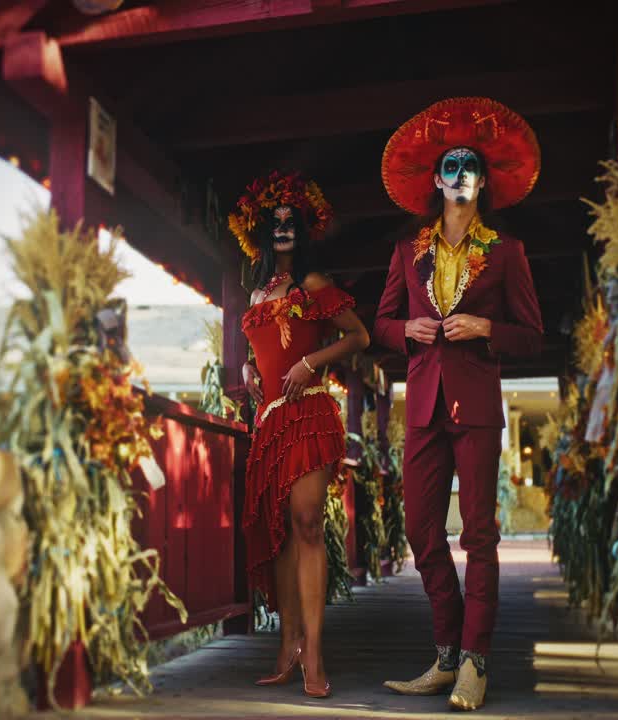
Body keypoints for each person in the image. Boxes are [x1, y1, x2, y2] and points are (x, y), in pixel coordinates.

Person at [373, 98, 544, 711]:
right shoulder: (405, 252)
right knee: (420, 526)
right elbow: (381, 324)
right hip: (421, 407)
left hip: (474, 407)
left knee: (479, 534)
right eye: (452, 165)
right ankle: (446, 651)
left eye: (472, 165)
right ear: (438, 180)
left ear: (482, 181)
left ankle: (476, 659)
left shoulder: (507, 252)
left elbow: (533, 333)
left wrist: (486, 328)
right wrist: (405, 332)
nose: (462, 173)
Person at [231, 170, 370, 699]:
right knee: (282, 530)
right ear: (263, 231)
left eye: (292, 220)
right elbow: (259, 351)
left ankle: (314, 650)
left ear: (304, 230)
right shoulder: (254, 291)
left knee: (309, 523)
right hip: (269, 421)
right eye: (275, 221)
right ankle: (286, 643)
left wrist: (312, 362)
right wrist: (247, 370)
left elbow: (358, 336)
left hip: (308, 413)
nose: (283, 227)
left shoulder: (313, 285)